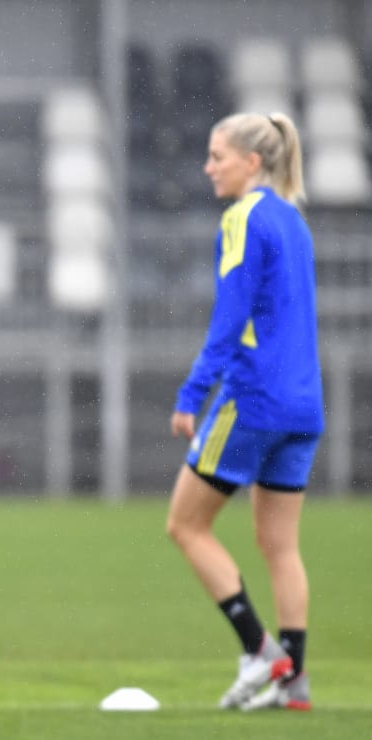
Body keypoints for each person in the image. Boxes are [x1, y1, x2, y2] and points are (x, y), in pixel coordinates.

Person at [165, 111, 322, 712]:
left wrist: (191, 395)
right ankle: (295, 681)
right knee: (280, 545)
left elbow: (230, 319)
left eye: (217, 156)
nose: (208, 168)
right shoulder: (295, 222)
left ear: (252, 162)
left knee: (185, 524)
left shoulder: (244, 217)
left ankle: (260, 651)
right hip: (304, 406)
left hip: (253, 399)